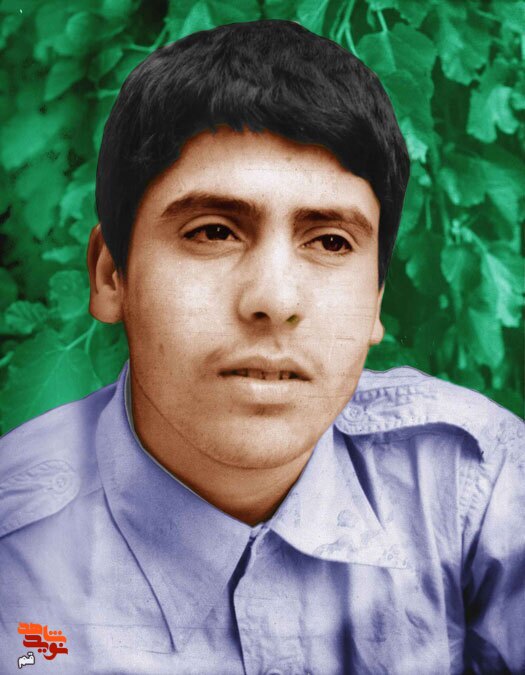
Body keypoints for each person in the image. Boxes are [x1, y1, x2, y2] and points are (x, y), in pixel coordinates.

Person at [0, 19, 523, 675]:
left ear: (375, 301)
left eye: (329, 241)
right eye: (213, 231)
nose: (274, 299)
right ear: (111, 275)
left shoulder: (478, 485)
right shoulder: (16, 563)